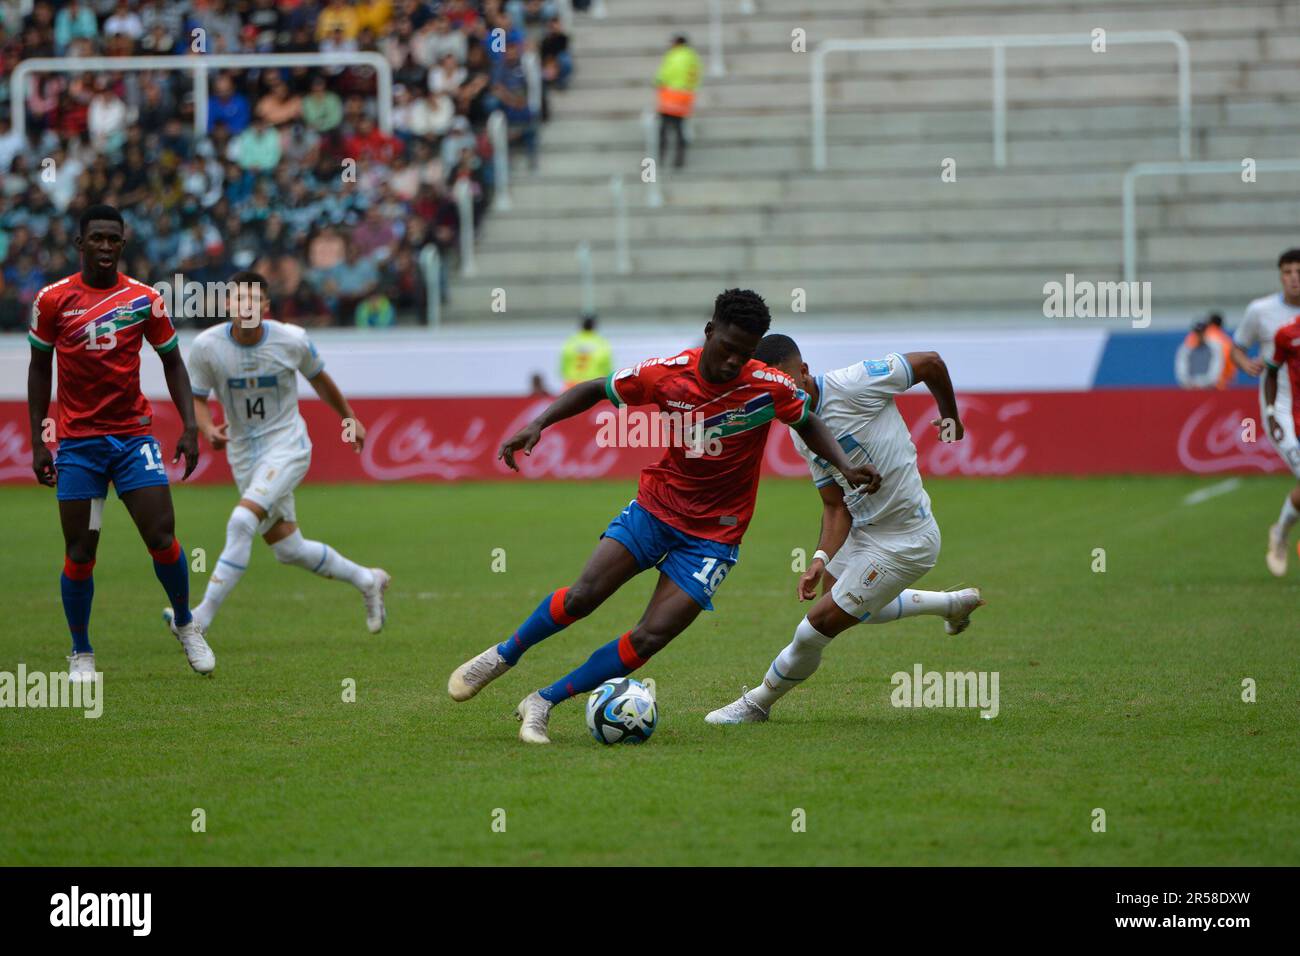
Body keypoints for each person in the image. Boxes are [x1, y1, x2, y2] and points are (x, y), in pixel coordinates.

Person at [447, 289, 882, 744]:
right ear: (710, 332)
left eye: (746, 353)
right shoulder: (666, 375)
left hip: (715, 537)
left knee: (650, 637)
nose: (735, 361)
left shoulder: (769, 385)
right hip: (656, 509)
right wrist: (539, 422)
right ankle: (502, 656)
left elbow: (807, 420)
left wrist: (846, 466)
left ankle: (543, 702)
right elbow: (595, 389)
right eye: (728, 348)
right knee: (582, 597)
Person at [706, 336, 984, 724]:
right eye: (768, 390)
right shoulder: (799, 429)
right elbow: (835, 505)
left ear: (803, 372)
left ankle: (757, 703)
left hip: (906, 540)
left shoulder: (855, 383)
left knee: (816, 626)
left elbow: (931, 362)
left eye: (786, 383)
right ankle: (951, 604)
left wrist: (950, 415)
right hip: (863, 532)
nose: (779, 396)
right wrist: (820, 558)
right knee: (850, 606)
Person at [27, 203, 211, 681]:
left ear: (122, 245)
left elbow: (172, 360)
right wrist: (39, 440)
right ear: (80, 243)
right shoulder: (53, 300)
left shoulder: (144, 299)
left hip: (132, 440)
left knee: (163, 538)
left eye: (114, 239)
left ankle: (187, 625)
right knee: (81, 552)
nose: (105, 247)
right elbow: (38, 367)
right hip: (79, 447)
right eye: (97, 239)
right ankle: (81, 652)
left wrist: (190, 424)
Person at [175, 271, 390, 638]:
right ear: (228, 304)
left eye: (254, 300)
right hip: (244, 454)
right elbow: (196, 396)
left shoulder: (291, 340)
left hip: (287, 446)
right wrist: (208, 428)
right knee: (288, 548)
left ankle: (199, 620)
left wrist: (350, 419)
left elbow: (320, 380)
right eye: (239, 299)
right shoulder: (207, 347)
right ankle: (367, 579)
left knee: (241, 522)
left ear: (266, 307)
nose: (246, 306)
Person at [1228, 249, 1300, 575]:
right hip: (1281, 408)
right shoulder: (1261, 311)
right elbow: (1237, 347)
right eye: (1287, 272)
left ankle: (1281, 532)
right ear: (1280, 276)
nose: (1294, 278)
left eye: (1298, 271)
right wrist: (1245, 364)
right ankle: (1283, 536)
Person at [654, 34, 700, 170]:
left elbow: (665, 74)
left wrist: (658, 81)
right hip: (684, 97)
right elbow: (695, 77)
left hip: (670, 97)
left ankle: (660, 157)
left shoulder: (674, 55)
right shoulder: (693, 57)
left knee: (663, 130)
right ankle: (679, 160)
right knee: (680, 129)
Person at [559, 314, 612, 388]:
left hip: (572, 384)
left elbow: (564, 365)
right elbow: (607, 367)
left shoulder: (572, 341)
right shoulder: (600, 342)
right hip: (592, 385)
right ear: (594, 325)